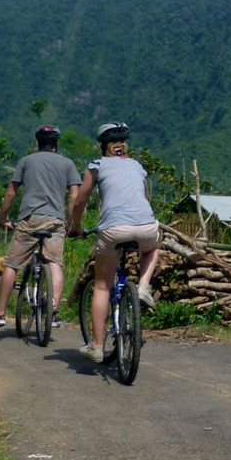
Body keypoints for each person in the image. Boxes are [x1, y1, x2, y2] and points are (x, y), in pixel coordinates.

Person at [67, 122, 161, 363]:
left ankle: (97, 346)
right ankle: (143, 286)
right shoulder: (137, 166)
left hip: (113, 230)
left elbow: (79, 201)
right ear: (124, 146)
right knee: (152, 248)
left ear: (102, 146)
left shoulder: (96, 165)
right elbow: (145, 198)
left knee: (101, 286)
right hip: (146, 226)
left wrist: (75, 226)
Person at [0, 125, 82, 331]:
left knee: (11, 265)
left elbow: (11, 193)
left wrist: (3, 218)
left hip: (29, 219)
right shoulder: (67, 163)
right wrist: (69, 221)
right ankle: (53, 312)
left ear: (38, 143)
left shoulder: (26, 161)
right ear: (56, 144)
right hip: (55, 222)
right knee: (55, 263)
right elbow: (75, 196)